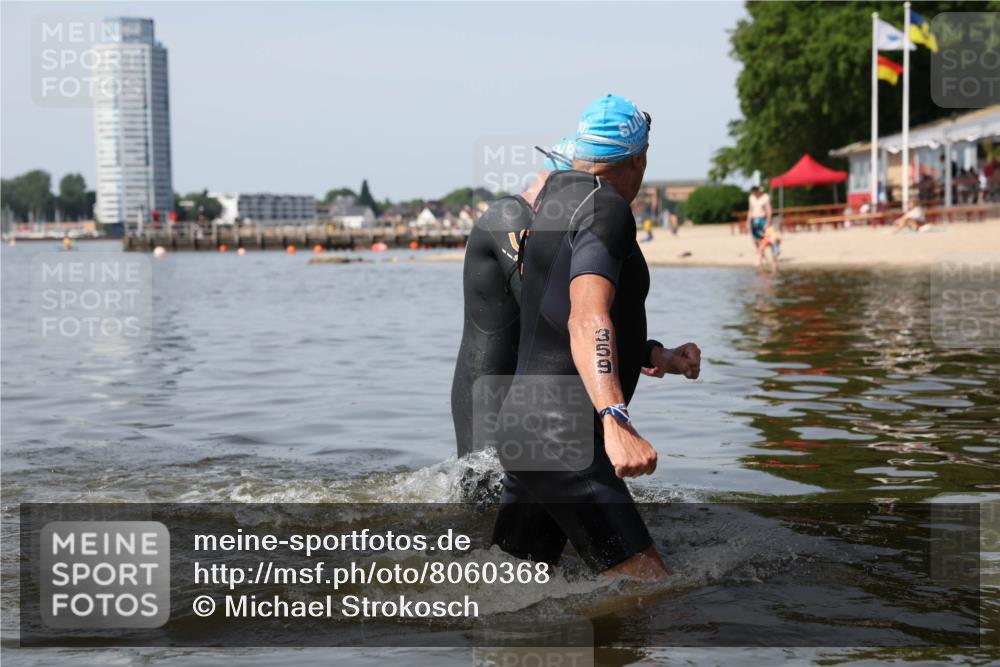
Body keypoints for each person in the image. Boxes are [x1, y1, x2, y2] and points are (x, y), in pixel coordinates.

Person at [491, 95, 701, 579]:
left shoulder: (552, 203)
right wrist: (614, 418)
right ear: (638, 158)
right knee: (649, 593)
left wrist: (656, 355)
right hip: (564, 435)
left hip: (524, 430)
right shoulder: (607, 207)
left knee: (511, 600)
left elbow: (553, 318)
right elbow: (586, 319)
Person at [451, 138, 575, 461]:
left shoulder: (549, 230)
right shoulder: (509, 217)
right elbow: (547, 311)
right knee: (485, 502)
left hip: (525, 395)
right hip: (487, 394)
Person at [746, 185, 773, 269]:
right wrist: (748, 221)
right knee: (755, 240)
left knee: (762, 239)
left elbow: (769, 210)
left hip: (762, 219)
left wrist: (768, 222)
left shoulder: (765, 197)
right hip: (754, 219)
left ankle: (759, 258)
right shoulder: (751, 198)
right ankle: (763, 256)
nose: (753, 193)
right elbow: (750, 210)